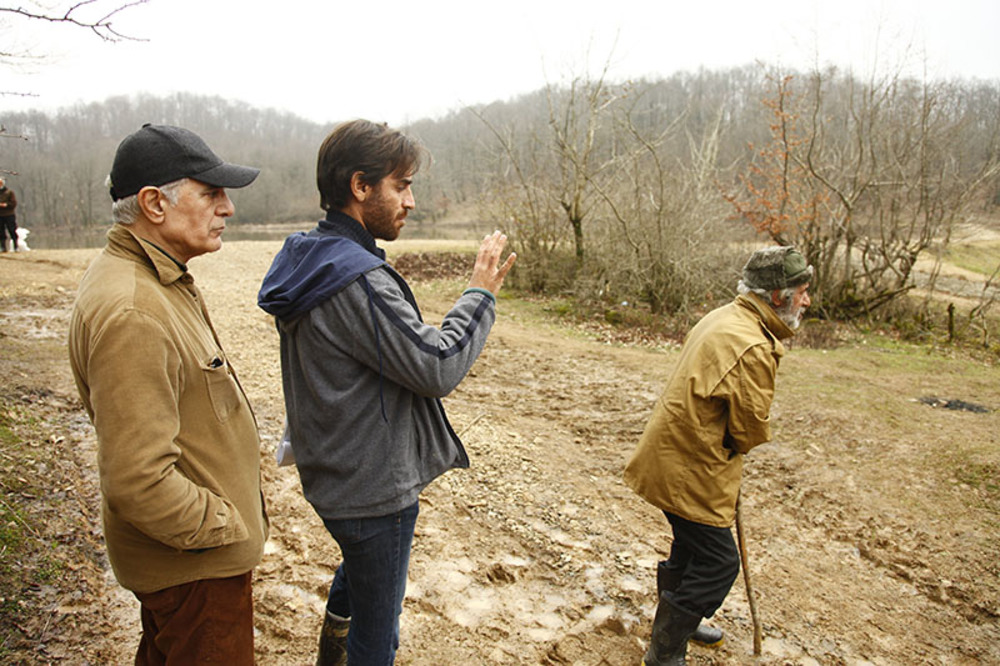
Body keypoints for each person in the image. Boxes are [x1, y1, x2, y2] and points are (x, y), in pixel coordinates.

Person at [257, 119, 516, 665]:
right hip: (372, 489)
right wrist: (480, 294)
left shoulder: (313, 258)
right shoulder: (356, 278)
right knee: (379, 635)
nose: (412, 201)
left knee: (361, 572)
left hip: (336, 473)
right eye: (402, 185)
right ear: (360, 186)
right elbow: (436, 363)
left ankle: (331, 651)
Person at [68, 124, 269, 665]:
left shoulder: (151, 277)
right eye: (210, 193)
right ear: (155, 203)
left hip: (189, 568)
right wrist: (224, 524)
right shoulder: (134, 309)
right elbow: (138, 480)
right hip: (197, 571)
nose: (226, 208)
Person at [624, 245, 812, 666]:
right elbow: (747, 429)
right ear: (778, 295)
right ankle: (664, 651)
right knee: (720, 562)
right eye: (801, 291)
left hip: (674, 454)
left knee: (692, 550)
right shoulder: (752, 344)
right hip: (689, 466)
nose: (807, 301)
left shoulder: (727, 316)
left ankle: (677, 628)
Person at [0, 177, 18, 252]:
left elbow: (14, 203)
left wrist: (6, 205)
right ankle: (3, 247)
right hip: (0, 215)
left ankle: (15, 246)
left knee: (12, 230)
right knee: (1, 232)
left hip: (9, 215)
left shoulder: (9, 192)